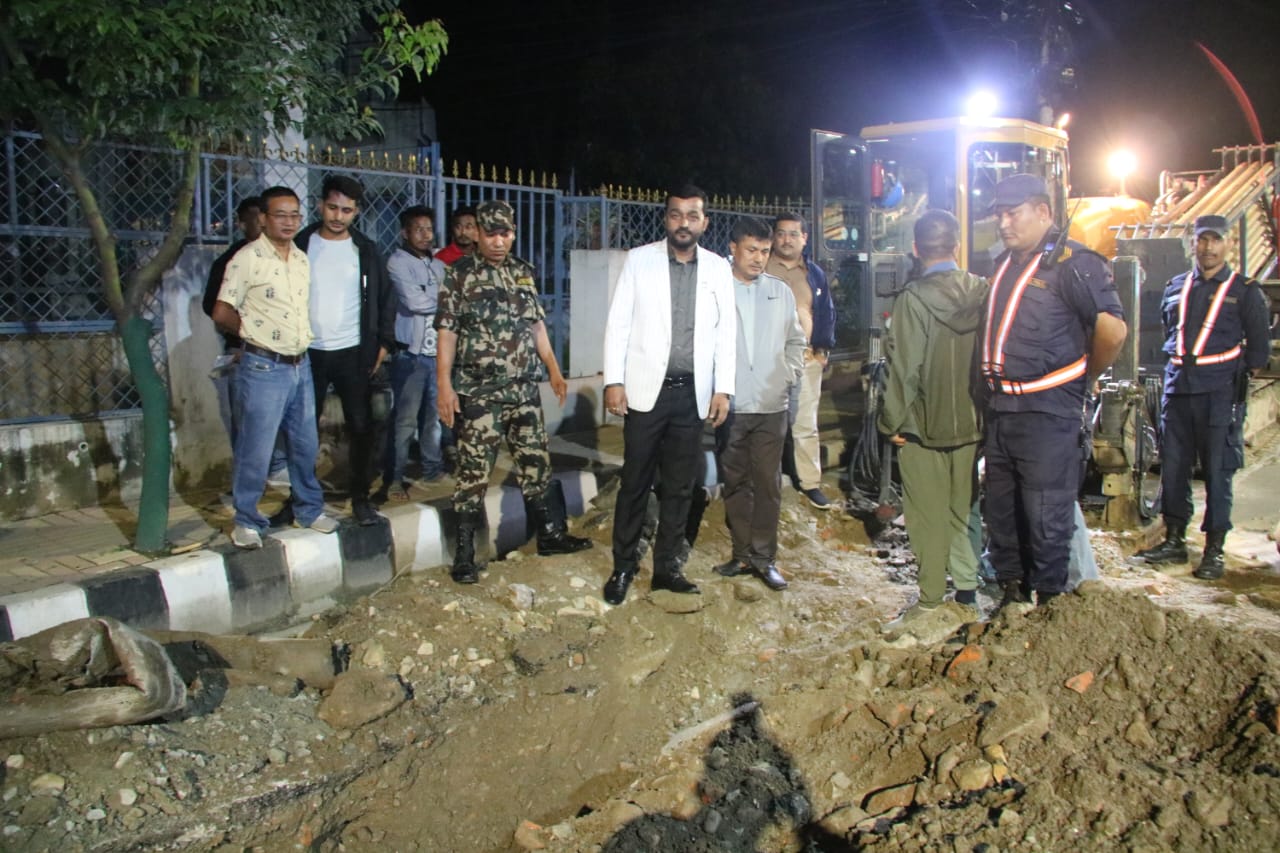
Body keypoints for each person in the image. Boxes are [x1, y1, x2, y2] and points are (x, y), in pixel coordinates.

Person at [980, 174, 1127, 608]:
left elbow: (1112, 331)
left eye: (1013, 213)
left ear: (1043, 211)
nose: (1004, 223)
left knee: (1047, 517)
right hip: (1003, 409)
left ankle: (1049, 604)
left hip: (1047, 410)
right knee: (1003, 511)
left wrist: (1085, 375)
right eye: (999, 214)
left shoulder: (1075, 264)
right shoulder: (1005, 263)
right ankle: (1012, 595)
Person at [435, 200, 590, 584]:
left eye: (505, 233)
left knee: (536, 463)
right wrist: (444, 385)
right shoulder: (459, 275)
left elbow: (537, 326)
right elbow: (447, 332)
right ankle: (465, 555)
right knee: (474, 472)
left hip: (523, 390)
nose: (498, 241)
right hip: (480, 392)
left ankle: (551, 536)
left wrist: (554, 369)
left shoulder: (523, 272)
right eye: (491, 234)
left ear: (513, 232)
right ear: (477, 233)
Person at [601, 184, 736, 605]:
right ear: (666, 219)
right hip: (646, 393)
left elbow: (726, 333)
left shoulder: (717, 268)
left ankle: (666, 569)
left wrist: (723, 388)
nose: (683, 223)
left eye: (692, 216)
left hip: (692, 395)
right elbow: (619, 323)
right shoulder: (639, 260)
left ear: (704, 222)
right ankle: (623, 566)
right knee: (635, 482)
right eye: (676, 214)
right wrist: (613, 380)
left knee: (680, 486)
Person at [1135, 214, 1271, 578]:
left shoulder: (1245, 292)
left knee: (1217, 471)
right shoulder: (1176, 286)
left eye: (1215, 240)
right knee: (1174, 467)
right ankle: (1174, 540)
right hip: (1178, 388)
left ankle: (1214, 550)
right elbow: (1170, 331)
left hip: (1219, 393)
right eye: (1202, 239)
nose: (1208, 247)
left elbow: (1258, 354)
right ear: (1192, 243)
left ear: (1228, 243)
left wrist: (1228, 380)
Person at [211, 186, 338, 548]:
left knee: (304, 444)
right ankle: (246, 520)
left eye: (294, 215)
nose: (288, 222)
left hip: (300, 364)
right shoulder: (247, 259)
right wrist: (251, 333)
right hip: (263, 367)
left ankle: (309, 510)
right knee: (256, 448)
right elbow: (221, 311)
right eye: (280, 215)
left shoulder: (299, 258)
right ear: (264, 219)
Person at [878, 210, 985, 617]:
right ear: (956, 246)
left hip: (921, 426)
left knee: (927, 516)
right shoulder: (983, 291)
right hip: (972, 422)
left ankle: (930, 601)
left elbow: (906, 368)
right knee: (965, 509)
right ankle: (968, 594)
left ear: (915, 249)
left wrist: (890, 422)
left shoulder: (913, 299)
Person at [276, 175, 395, 527]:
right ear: (320, 205)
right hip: (306, 352)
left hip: (353, 353)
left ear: (356, 212)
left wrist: (384, 343)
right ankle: (298, 500)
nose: (338, 216)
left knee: (361, 426)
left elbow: (385, 299)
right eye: (332, 208)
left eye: (347, 210)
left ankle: (360, 498)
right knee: (302, 431)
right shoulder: (300, 244)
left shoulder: (366, 250)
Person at [712, 217, 806, 592]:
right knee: (735, 482)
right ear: (733, 248)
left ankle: (765, 559)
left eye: (765, 251)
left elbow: (796, 341)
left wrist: (787, 375)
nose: (758, 258)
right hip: (731, 406)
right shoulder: (716, 290)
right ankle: (741, 554)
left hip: (771, 405)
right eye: (751, 250)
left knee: (768, 484)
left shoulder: (779, 292)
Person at [766, 211, 837, 509]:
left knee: (805, 423)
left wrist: (822, 350)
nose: (787, 240)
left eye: (794, 234)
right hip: (767, 361)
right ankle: (766, 481)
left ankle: (809, 483)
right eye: (781, 233)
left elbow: (827, 311)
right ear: (773, 237)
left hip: (806, 359)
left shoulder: (814, 273)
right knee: (766, 422)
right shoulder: (761, 266)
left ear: (804, 238)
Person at [378, 205, 446, 501]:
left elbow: (448, 299)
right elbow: (414, 302)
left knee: (434, 418)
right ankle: (394, 478)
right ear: (405, 233)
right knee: (404, 422)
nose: (425, 235)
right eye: (418, 229)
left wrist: (439, 299)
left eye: (429, 229)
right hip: (411, 356)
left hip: (438, 354)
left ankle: (433, 469)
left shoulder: (438, 265)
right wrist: (444, 300)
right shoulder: (397, 262)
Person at [202, 195, 262, 449]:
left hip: (283, 355)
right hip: (244, 351)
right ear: (242, 224)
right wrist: (250, 333)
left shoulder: (289, 257)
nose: (264, 225)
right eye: (257, 220)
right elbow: (213, 306)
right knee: (246, 428)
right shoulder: (231, 261)